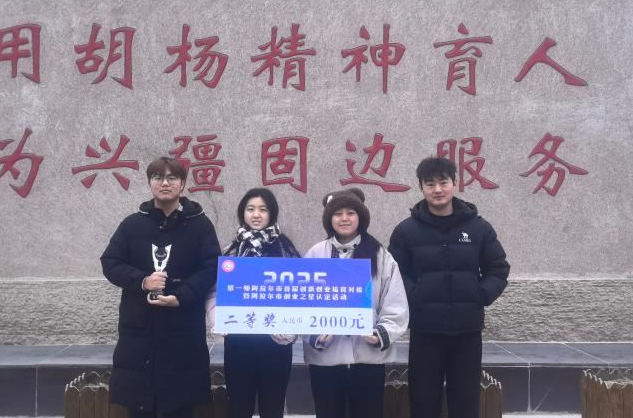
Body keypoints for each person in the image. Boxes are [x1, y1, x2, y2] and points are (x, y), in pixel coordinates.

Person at [388, 157, 510, 418]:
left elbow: (498, 268)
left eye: (443, 182)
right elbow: (394, 274)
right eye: (430, 184)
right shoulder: (406, 231)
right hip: (425, 330)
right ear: (421, 187)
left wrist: (479, 295)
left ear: (454, 183)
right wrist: (416, 295)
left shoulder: (478, 228)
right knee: (423, 401)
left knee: (465, 402)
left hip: (467, 332)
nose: (437, 190)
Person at [100, 157, 220, 418]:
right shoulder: (132, 225)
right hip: (139, 331)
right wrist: (142, 281)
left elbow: (212, 267)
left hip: (182, 330)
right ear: (149, 183)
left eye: (172, 177)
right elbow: (110, 262)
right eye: (158, 177)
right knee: (140, 407)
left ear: (182, 184)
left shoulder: (200, 225)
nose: (165, 183)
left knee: (179, 407)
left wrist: (181, 296)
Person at [302, 188, 409, 418]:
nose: (344, 218)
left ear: (360, 217)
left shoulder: (380, 255)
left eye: (351, 213)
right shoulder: (316, 254)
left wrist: (380, 333)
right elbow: (302, 304)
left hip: (368, 359)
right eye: (338, 213)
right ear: (329, 219)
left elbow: (395, 303)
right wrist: (315, 334)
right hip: (326, 359)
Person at [218, 187, 301, 418]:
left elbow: (298, 293)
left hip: (275, 343)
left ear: (271, 213)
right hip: (239, 342)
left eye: (263, 210)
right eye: (250, 209)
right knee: (238, 406)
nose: (256, 215)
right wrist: (218, 317)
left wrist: (291, 327)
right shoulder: (232, 249)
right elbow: (217, 290)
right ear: (242, 213)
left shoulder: (285, 248)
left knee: (272, 406)